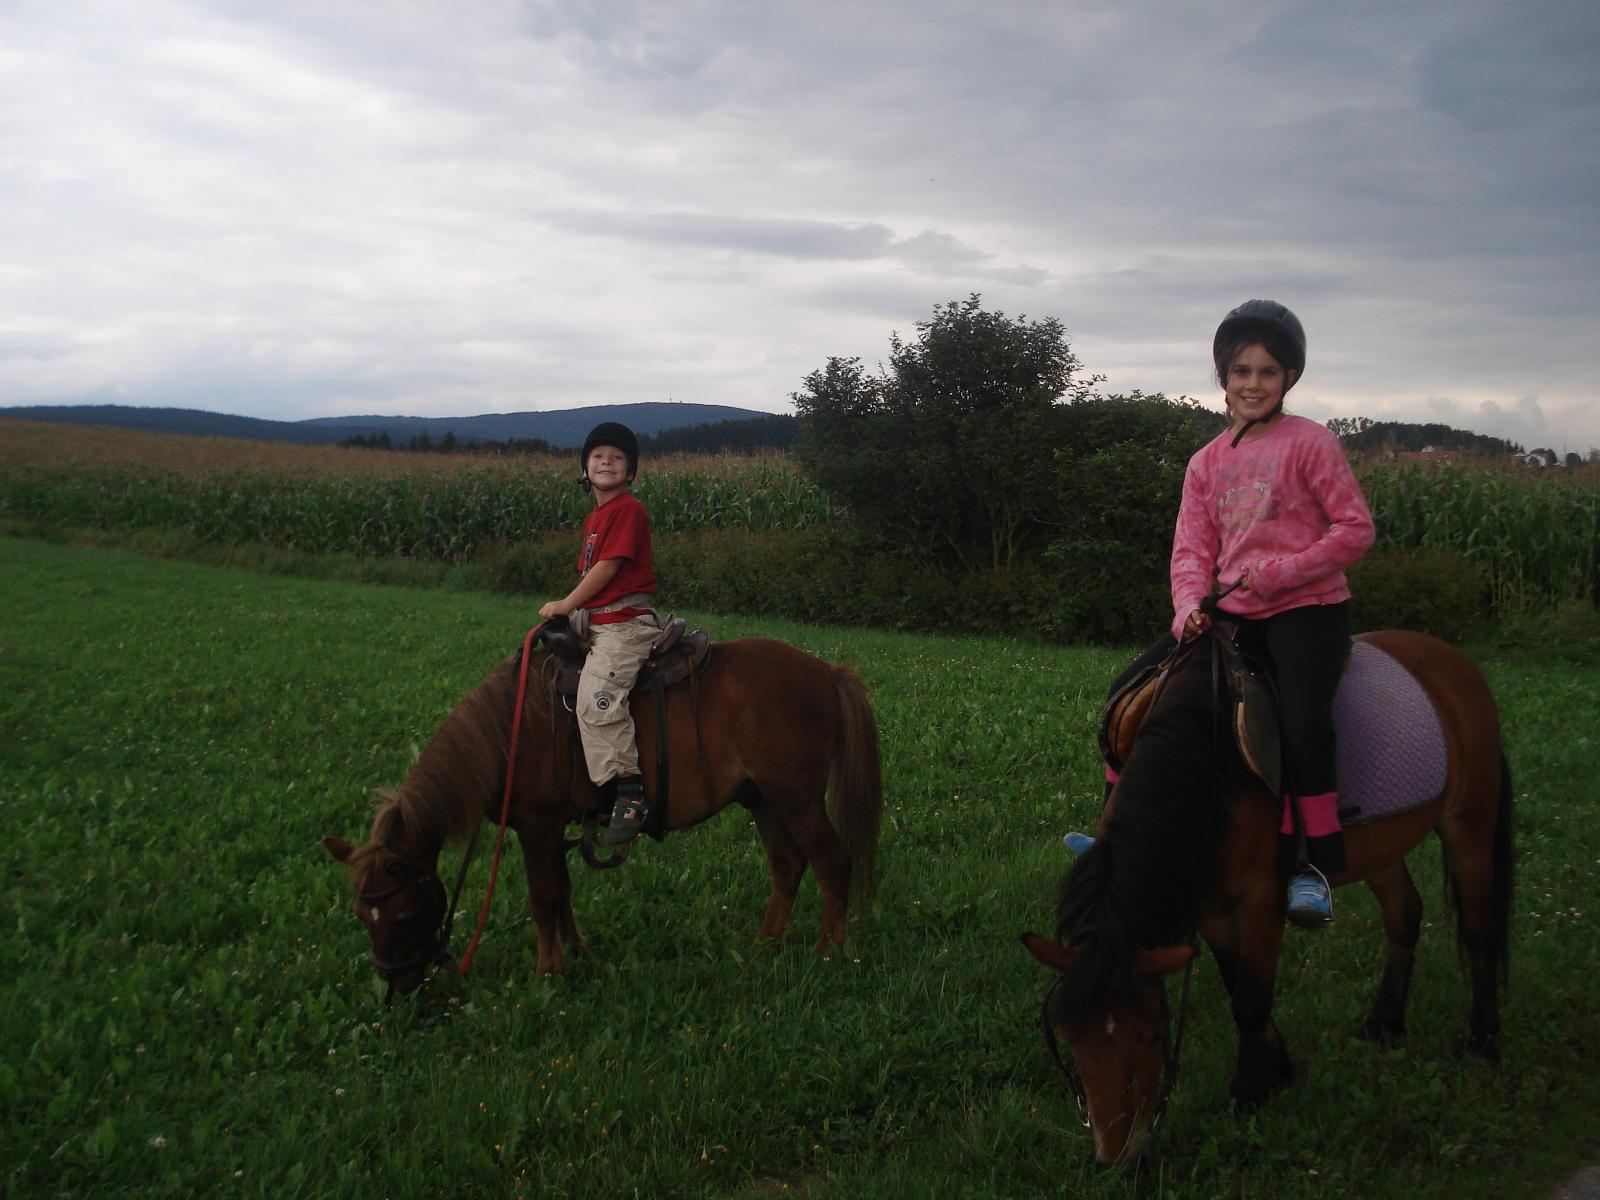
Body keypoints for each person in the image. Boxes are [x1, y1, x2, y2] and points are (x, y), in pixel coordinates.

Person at [1069, 301, 1375, 929]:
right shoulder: (1205, 462)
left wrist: (1281, 573)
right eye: (1241, 371)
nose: (1253, 384)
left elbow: (1354, 529)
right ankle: (1114, 834)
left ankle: (1315, 863)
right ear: (1223, 376)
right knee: (1129, 692)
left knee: (1301, 723)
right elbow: (1191, 550)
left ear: (1289, 377)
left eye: (1268, 372)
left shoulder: (1311, 443)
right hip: (1231, 616)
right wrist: (1187, 609)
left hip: (1307, 611)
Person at [539, 422, 661, 845]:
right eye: (597, 456)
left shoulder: (628, 510)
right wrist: (576, 613)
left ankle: (628, 791)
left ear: (631, 471)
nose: (606, 462)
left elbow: (607, 569)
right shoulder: (596, 516)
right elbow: (592, 574)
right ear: (585, 468)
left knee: (597, 698)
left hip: (624, 625)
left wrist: (566, 604)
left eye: (617, 457)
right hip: (599, 618)